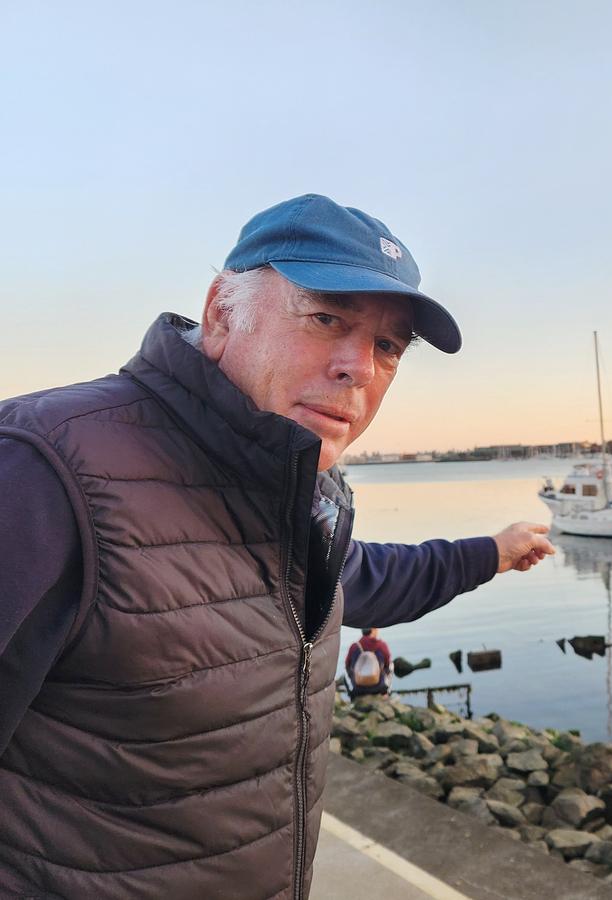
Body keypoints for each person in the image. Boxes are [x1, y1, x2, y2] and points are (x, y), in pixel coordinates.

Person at [0, 194, 555, 898]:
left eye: (388, 347)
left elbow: (367, 582)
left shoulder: (298, 499)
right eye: (327, 318)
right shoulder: (43, 472)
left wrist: (494, 552)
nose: (359, 366)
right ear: (220, 312)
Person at [346, 627, 391, 698]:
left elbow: (347, 665)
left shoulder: (354, 647)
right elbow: (387, 665)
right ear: (373, 631)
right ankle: (385, 695)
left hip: (358, 688)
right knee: (390, 666)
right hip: (379, 687)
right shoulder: (381, 645)